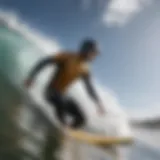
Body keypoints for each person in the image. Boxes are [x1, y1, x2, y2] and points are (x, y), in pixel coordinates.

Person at [24, 39, 105, 129]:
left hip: (62, 95)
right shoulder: (67, 56)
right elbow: (44, 62)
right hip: (50, 92)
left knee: (82, 119)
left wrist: (98, 103)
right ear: (86, 50)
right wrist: (31, 77)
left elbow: (89, 88)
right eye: (94, 53)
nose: (94, 56)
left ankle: (69, 132)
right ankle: (63, 127)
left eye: (96, 54)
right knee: (61, 101)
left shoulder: (85, 69)